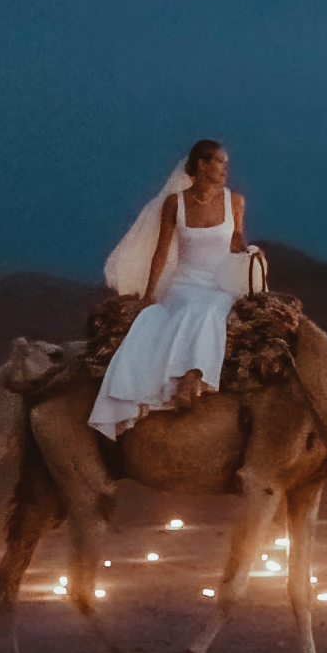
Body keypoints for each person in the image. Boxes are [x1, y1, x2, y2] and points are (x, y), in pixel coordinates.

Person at [88, 140, 263, 439]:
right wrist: (150, 293)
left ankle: (191, 380)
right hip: (184, 282)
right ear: (202, 164)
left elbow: (235, 242)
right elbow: (161, 251)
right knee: (180, 310)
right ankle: (173, 382)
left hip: (218, 282)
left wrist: (249, 256)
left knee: (215, 307)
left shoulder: (235, 201)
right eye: (220, 161)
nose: (225, 168)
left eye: (226, 162)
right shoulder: (175, 203)